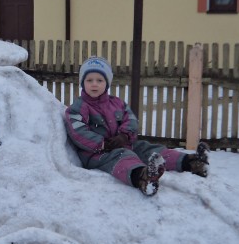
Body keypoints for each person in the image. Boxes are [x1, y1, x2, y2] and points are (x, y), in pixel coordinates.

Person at [64, 56, 209, 196]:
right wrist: (103, 144)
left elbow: (131, 120)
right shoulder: (77, 108)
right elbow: (78, 132)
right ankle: (142, 177)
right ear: (83, 83)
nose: (94, 84)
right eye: (89, 80)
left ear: (107, 83)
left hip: (122, 144)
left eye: (99, 80)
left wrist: (124, 135)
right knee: (124, 156)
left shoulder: (117, 103)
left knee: (148, 148)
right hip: (98, 154)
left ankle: (190, 162)